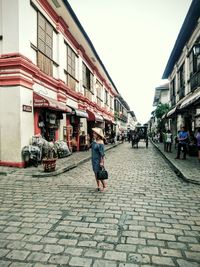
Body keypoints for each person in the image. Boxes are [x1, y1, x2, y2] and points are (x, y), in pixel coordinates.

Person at [91, 127, 107, 192]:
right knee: (95, 173)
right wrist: (93, 141)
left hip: (98, 160)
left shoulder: (101, 142)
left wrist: (101, 162)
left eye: (95, 133)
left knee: (99, 173)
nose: (93, 134)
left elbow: (102, 154)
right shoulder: (94, 141)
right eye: (93, 133)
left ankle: (104, 185)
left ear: (98, 134)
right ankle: (98, 185)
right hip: (94, 160)